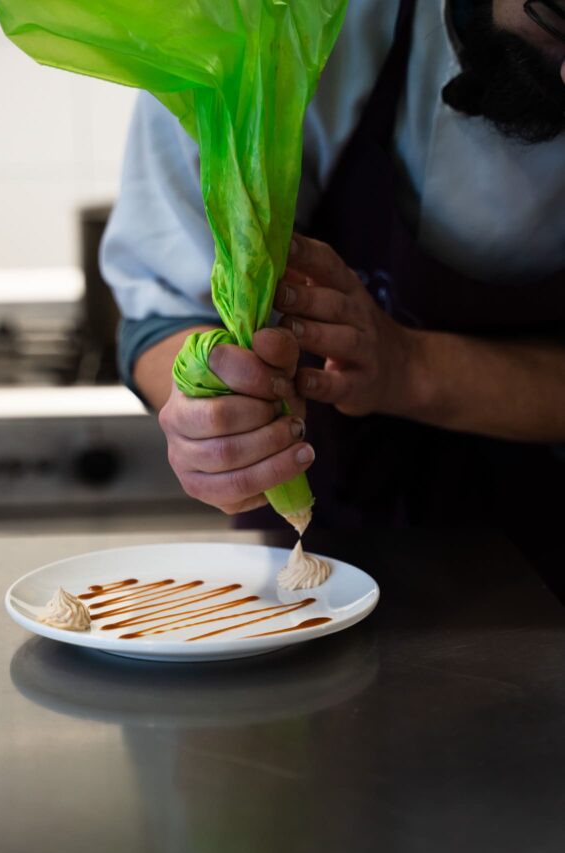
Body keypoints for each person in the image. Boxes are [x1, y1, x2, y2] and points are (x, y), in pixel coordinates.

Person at [101, 0, 565, 594]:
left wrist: (411, 368)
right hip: (305, 571)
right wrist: (213, 415)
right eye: (558, 15)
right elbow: (166, 307)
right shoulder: (268, 20)